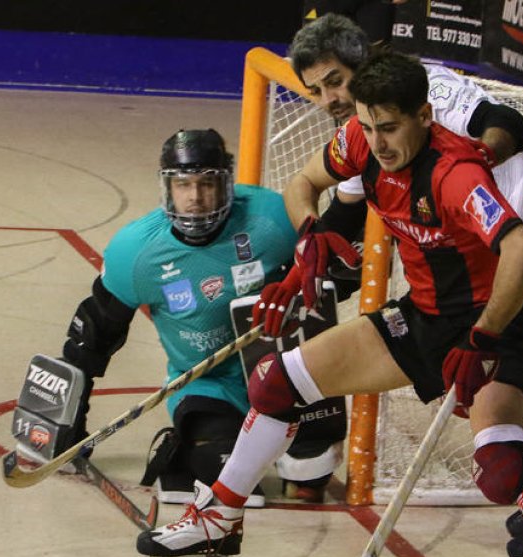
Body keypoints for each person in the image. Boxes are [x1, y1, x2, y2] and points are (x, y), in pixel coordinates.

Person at [135, 52, 523, 557]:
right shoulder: (359, 143)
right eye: (368, 127)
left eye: (389, 128)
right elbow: (302, 184)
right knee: (275, 381)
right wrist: (311, 233)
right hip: (420, 318)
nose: (378, 143)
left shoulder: (455, 173)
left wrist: (486, 337)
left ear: (423, 115)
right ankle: (219, 517)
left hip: (486, 325)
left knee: (501, 465)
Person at [288, 13, 523, 557]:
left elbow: (506, 119)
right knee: (486, 384)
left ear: (366, 60)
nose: (328, 99)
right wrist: (309, 245)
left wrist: (476, 158)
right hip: (488, 250)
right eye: (316, 90)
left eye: (336, 81)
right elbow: (339, 205)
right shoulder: (371, 126)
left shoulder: (425, 93)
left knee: (488, 372)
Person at [39, 129, 341, 506]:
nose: (195, 198)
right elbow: (93, 337)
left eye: (206, 183)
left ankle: (290, 448)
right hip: (209, 386)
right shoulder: (136, 251)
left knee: (313, 469)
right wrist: (69, 424)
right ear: (167, 188)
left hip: (285, 376)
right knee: (227, 475)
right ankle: (179, 448)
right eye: (183, 185)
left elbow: (334, 269)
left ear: (227, 184)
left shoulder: (274, 217)